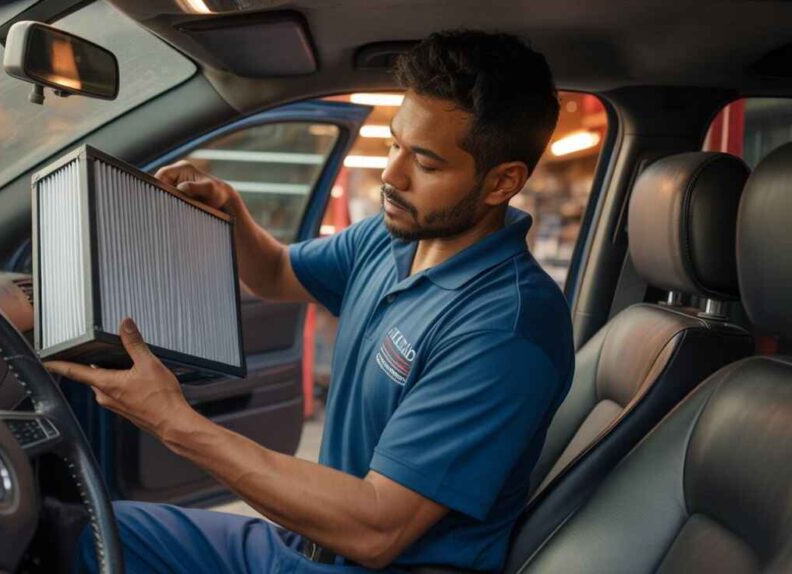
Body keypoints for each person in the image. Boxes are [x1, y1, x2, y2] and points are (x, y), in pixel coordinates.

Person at [46, 29, 573, 574]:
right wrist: (232, 217)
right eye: (394, 143)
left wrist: (172, 420)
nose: (391, 175)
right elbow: (275, 272)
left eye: (426, 163)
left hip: (366, 559)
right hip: (307, 543)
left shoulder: (506, 328)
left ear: (501, 182)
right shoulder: (391, 237)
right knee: (77, 534)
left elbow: (377, 528)